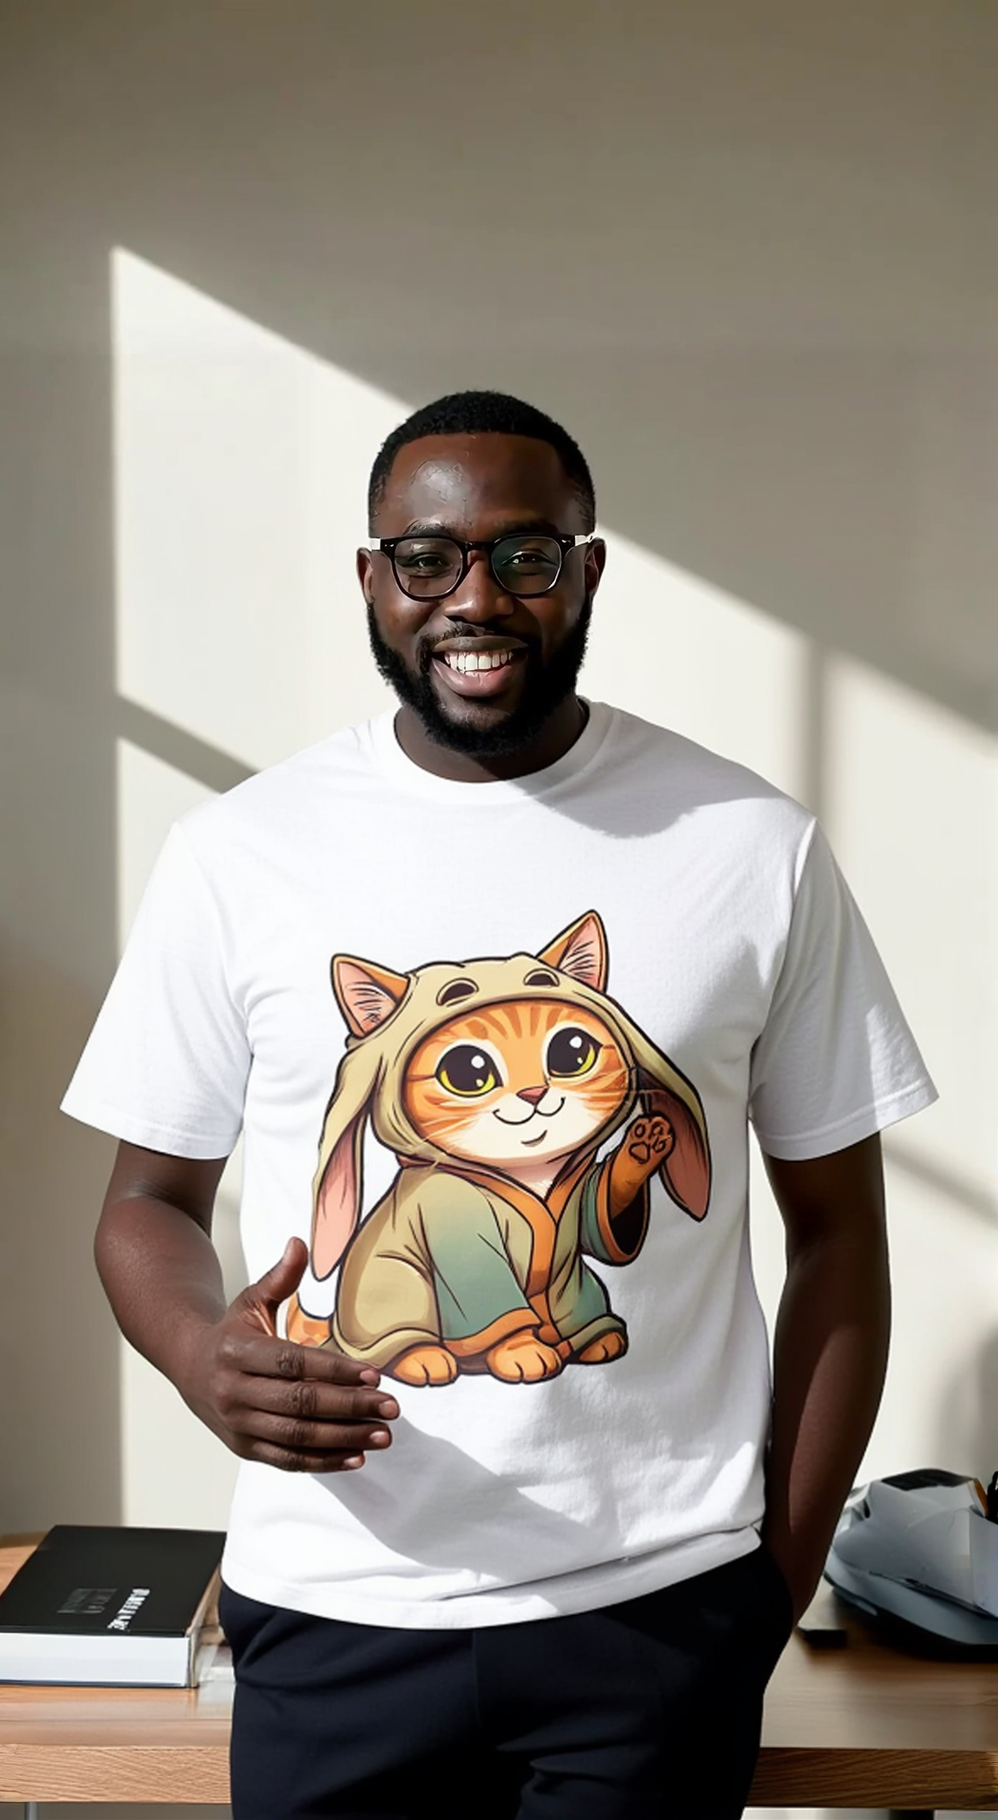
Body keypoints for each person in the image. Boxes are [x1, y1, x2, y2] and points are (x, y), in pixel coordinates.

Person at [63, 390, 936, 1819]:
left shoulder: (749, 848)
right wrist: (193, 1356)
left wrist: (764, 1595)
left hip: (655, 1617)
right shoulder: (239, 853)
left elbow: (841, 1241)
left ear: (588, 573)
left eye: (527, 557)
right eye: (428, 558)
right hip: (332, 1609)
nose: (476, 597)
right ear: (372, 579)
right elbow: (145, 1205)